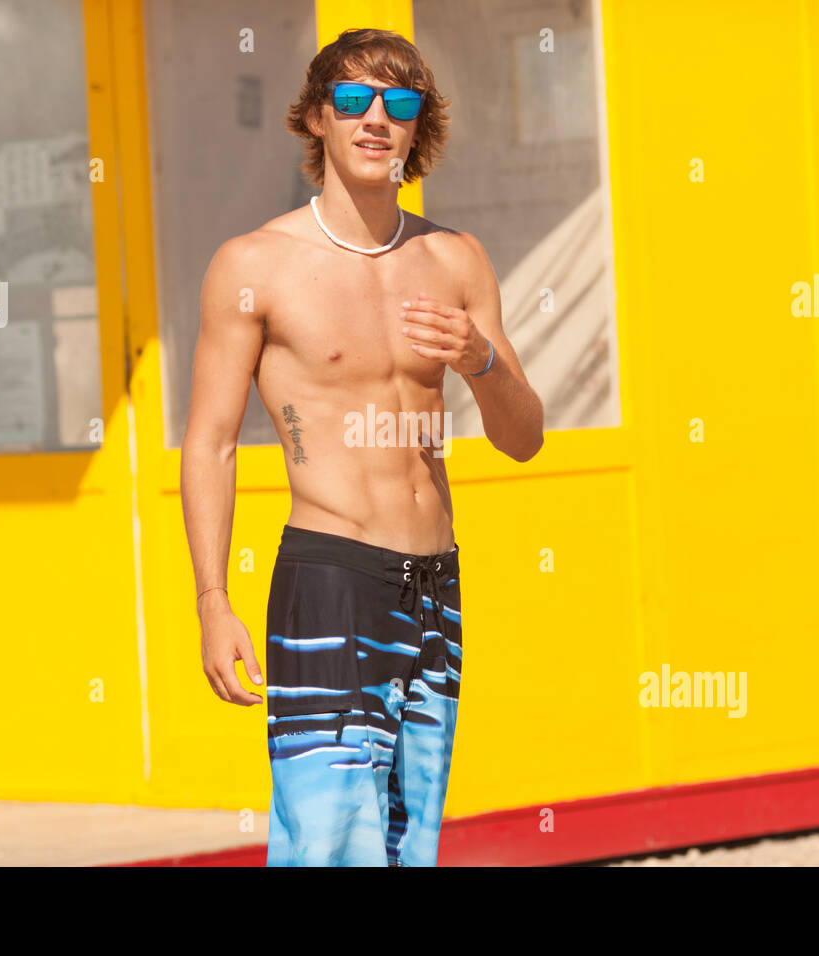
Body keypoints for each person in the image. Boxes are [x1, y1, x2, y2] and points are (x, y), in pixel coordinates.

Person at [180, 27, 544, 867]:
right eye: (353, 100)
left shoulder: (455, 258)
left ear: (421, 128)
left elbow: (522, 437)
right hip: (331, 581)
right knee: (330, 852)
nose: (376, 117)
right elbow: (211, 444)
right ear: (316, 118)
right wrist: (212, 601)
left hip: (435, 586)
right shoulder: (255, 265)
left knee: (408, 847)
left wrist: (478, 358)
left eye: (399, 102)